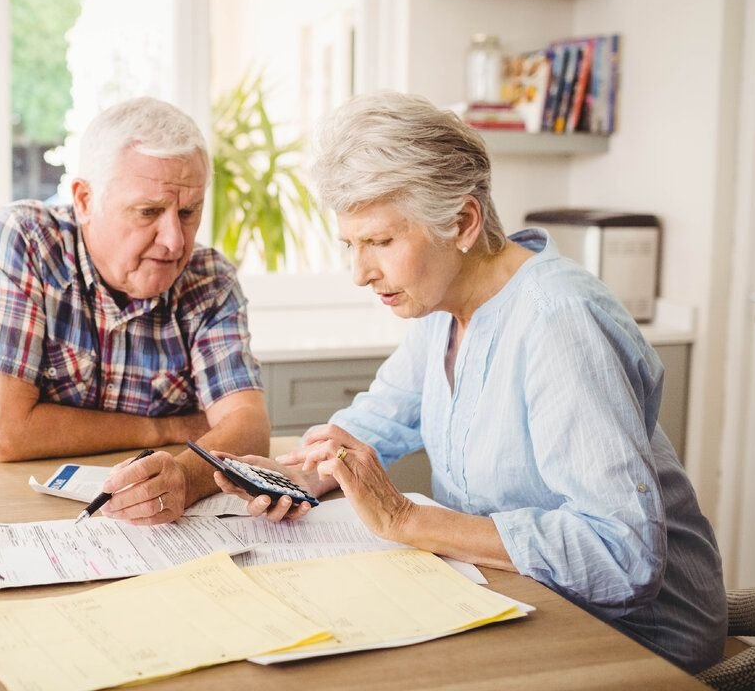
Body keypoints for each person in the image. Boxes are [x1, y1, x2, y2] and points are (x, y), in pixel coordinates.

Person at [211, 90, 727, 672]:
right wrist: (296, 472)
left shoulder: (559, 324)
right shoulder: (446, 307)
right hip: (513, 599)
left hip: (635, 642)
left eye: (381, 241)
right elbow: (375, 419)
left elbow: (621, 557)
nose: (360, 272)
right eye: (350, 245)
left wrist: (406, 520)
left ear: (462, 222)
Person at [0, 96, 270, 524]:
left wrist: (186, 478)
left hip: (156, 522)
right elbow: (8, 432)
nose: (174, 239)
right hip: (12, 514)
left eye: (189, 212)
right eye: (148, 212)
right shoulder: (23, 241)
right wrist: (168, 429)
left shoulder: (209, 278)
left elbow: (249, 428)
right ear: (84, 200)